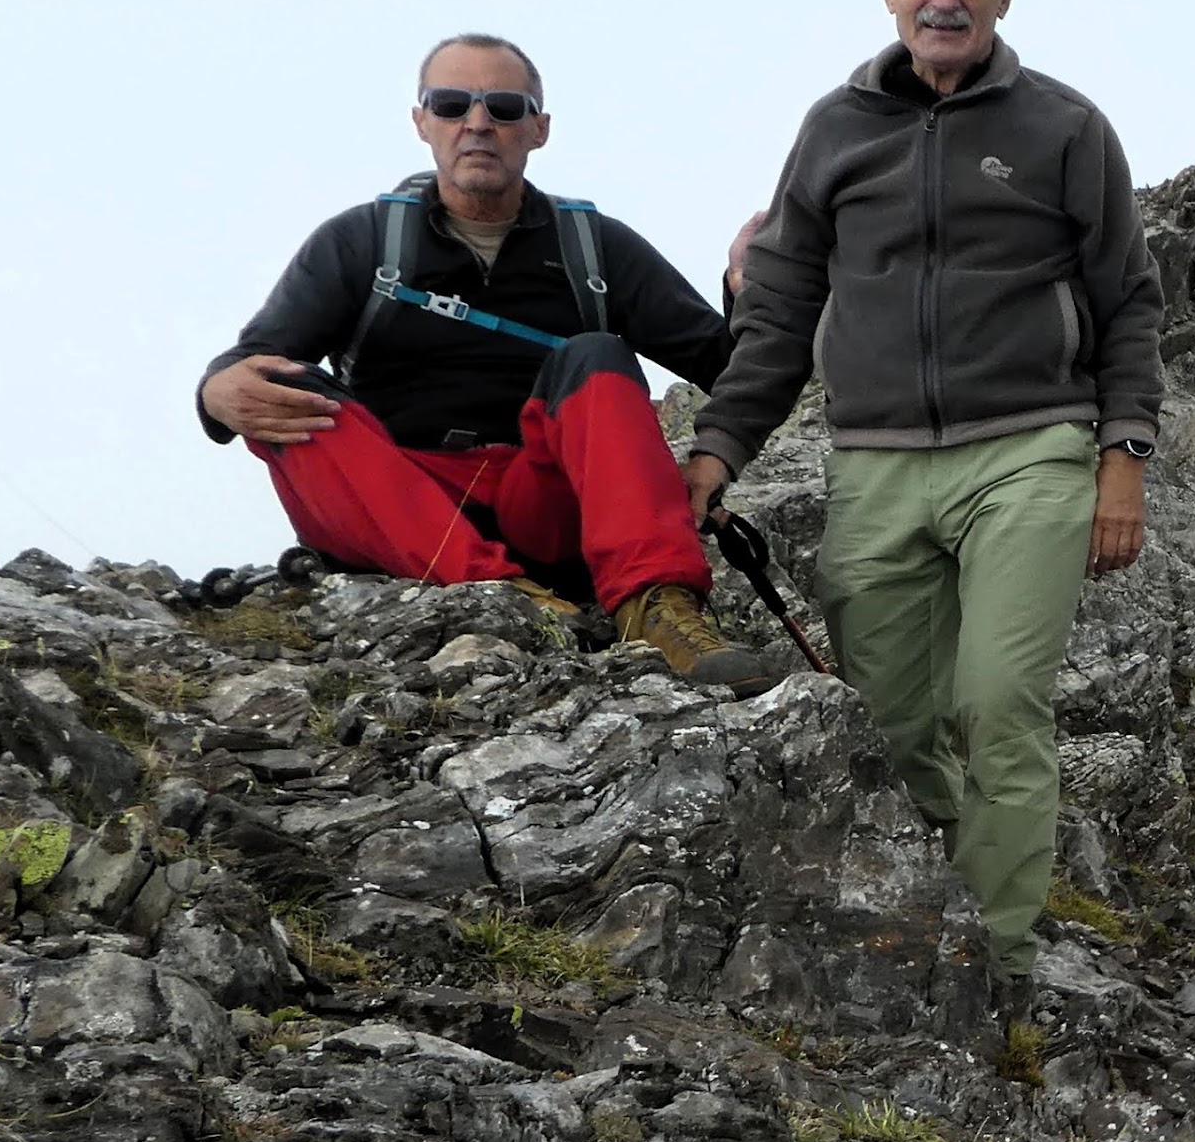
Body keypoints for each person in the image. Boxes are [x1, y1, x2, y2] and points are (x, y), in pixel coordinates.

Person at [681, 0, 1162, 988]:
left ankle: (1001, 966)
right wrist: (717, 449)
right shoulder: (833, 129)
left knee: (998, 703)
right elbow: (781, 308)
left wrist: (1122, 457)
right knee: (889, 725)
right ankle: (954, 899)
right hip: (876, 458)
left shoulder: (1067, 128)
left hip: (1030, 451)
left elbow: (1128, 301)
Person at [198, 34, 775, 684]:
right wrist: (217, 392)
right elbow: (254, 361)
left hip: (539, 499)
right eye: (451, 104)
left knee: (597, 356)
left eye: (503, 107)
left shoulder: (594, 248)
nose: (476, 123)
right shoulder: (361, 241)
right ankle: (504, 595)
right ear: (421, 122)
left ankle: (658, 606)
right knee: (289, 392)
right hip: (400, 494)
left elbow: (726, 368)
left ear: (538, 129)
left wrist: (752, 295)